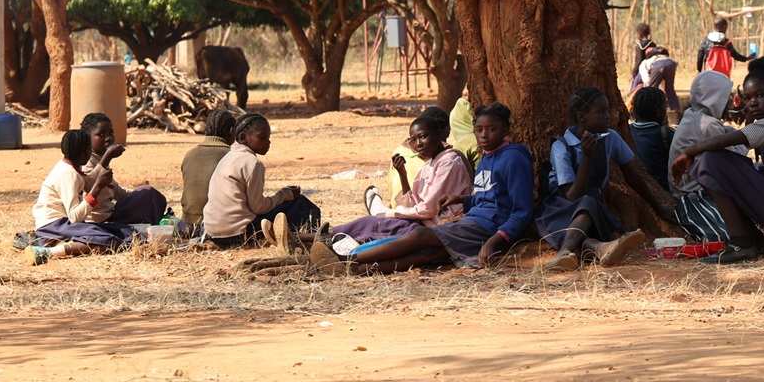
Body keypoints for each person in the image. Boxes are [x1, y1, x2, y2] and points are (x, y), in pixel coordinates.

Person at [304, 103, 533, 274]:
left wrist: (495, 240)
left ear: (506, 129)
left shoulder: (513, 158)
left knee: (416, 236)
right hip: (472, 221)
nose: (484, 135)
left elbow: (521, 210)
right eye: (479, 129)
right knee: (427, 254)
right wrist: (462, 200)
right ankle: (355, 269)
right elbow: (487, 197)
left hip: (485, 226)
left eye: (491, 129)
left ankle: (346, 259)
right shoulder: (487, 157)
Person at [671, 57, 764, 265]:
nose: (753, 102)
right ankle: (752, 242)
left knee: (710, 162)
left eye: (760, 95)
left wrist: (690, 152)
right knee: (717, 163)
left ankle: (742, 243)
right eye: (748, 97)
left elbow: (734, 139)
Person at [538, 88, 671, 272]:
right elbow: (571, 195)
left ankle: (597, 248)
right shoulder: (561, 147)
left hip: (594, 210)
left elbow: (633, 175)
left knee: (591, 207)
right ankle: (568, 251)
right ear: (582, 117)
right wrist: (587, 158)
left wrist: (657, 206)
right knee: (587, 202)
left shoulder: (610, 138)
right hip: (560, 209)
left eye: (607, 110)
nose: (608, 116)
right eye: (601, 112)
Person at [334, 108, 474, 248]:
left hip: (440, 228)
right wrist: (402, 174)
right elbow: (412, 204)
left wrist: (391, 213)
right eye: (413, 140)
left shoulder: (449, 162)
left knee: (376, 225)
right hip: (424, 221)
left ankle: (332, 239)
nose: (418, 144)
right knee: (370, 223)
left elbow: (428, 209)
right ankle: (328, 235)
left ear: (439, 135)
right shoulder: (429, 164)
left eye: (423, 136)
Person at [202, 114, 321, 248]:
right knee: (301, 204)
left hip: (215, 234)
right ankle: (310, 242)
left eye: (268, 138)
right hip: (240, 234)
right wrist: (283, 195)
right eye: (262, 137)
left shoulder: (228, 157)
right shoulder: (252, 163)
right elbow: (258, 207)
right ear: (243, 137)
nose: (268, 142)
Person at [26, 129, 141, 264]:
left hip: (61, 224)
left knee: (117, 231)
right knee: (107, 239)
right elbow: (74, 217)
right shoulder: (69, 174)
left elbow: (88, 182)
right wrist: (98, 188)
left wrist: (107, 158)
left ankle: (59, 244)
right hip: (53, 226)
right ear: (81, 152)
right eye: (88, 150)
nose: (90, 153)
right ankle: (48, 252)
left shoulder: (69, 166)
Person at [666, 71, 734, 243]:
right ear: (715, 98)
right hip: (694, 195)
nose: (731, 102)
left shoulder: (692, 114)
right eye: (727, 97)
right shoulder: (708, 125)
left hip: (684, 190)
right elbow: (733, 156)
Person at [78, 113, 168, 226]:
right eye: (101, 134)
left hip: (111, 213)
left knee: (147, 193)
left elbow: (117, 192)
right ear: (87, 139)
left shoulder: (99, 159)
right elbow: (90, 186)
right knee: (148, 194)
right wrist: (107, 157)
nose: (108, 138)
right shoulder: (86, 162)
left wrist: (137, 193)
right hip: (99, 220)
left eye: (110, 133)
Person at [180, 108, 238, 229]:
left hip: (189, 224)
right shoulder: (232, 156)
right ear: (231, 131)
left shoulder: (190, 154)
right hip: (220, 225)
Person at [628, 87, 673, 190]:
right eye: (665, 107)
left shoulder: (627, 131)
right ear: (659, 111)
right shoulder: (665, 134)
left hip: (635, 188)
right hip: (662, 189)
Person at [637, 45, 682, 114]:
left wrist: (648, 88)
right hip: (671, 63)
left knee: (651, 90)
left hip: (658, 65)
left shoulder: (643, 63)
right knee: (669, 89)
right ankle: (676, 110)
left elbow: (646, 80)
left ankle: (649, 110)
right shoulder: (659, 57)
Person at [628, 22, 656, 94]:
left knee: (633, 88)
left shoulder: (639, 45)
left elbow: (639, 60)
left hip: (642, 70)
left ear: (639, 33)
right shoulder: (653, 44)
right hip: (652, 69)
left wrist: (634, 72)